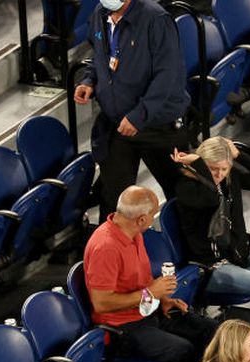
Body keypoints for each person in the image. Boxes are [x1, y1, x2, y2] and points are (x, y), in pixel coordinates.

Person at [83, 185, 217, 362]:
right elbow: (101, 303)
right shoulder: (105, 247)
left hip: (148, 310)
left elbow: (141, 280)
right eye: (153, 214)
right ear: (142, 219)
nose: (154, 219)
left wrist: (162, 299)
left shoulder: (134, 234)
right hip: (122, 328)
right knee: (181, 350)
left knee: (211, 331)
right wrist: (150, 293)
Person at [73, 0, 190, 220]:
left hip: (158, 127)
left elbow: (168, 74)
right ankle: (113, 244)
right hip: (117, 125)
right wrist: (90, 80)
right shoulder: (100, 13)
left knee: (181, 195)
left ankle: (190, 242)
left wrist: (139, 116)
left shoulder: (156, 19)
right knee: (113, 203)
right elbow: (100, 54)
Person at [172, 136, 250, 312]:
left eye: (224, 169)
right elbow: (212, 199)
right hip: (210, 266)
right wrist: (198, 165)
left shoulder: (229, 178)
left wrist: (239, 155)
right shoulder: (187, 187)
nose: (219, 174)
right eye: (212, 168)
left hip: (238, 255)